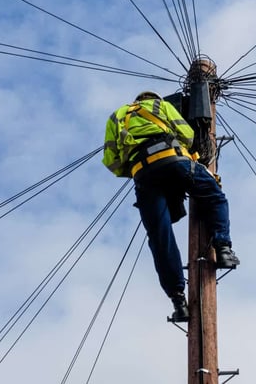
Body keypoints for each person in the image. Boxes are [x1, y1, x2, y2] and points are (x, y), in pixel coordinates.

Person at [102, 91, 239, 322]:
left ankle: (178, 300)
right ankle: (223, 249)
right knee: (214, 196)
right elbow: (187, 134)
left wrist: (137, 165)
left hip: (143, 174)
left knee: (160, 236)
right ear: (152, 98)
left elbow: (111, 161)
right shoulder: (162, 106)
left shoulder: (117, 117)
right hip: (173, 159)